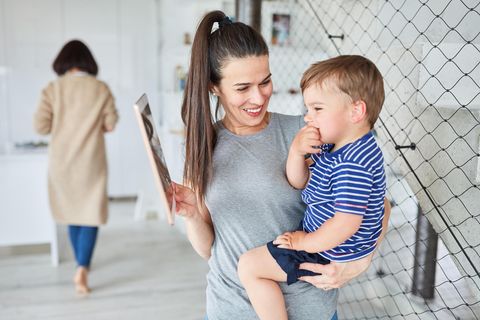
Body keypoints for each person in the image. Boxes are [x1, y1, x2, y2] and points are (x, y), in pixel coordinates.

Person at [172, 11, 391, 320]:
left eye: (266, 81)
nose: (259, 97)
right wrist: (193, 214)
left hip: (308, 309)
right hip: (228, 309)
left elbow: (377, 204)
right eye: (242, 87)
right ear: (213, 87)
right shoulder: (200, 147)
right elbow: (211, 250)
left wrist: (356, 265)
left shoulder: (308, 133)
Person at [237, 55, 386, 320]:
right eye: (308, 108)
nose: (308, 117)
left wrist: (303, 241)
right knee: (252, 264)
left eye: (317, 109)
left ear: (356, 111)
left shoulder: (353, 163)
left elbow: (346, 223)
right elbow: (300, 181)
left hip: (329, 251)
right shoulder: (336, 145)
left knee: (249, 267)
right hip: (326, 241)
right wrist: (296, 152)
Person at [33, 39, 118, 295]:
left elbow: (41, 126)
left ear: (63, 62)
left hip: (62, 163)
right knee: (90, 213)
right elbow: (111, 124)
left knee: (71, 213)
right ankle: (83, 266)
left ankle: (79, 266)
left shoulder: (53, 89)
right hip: (91, 161)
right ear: (87, 62)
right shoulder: (100, 88)